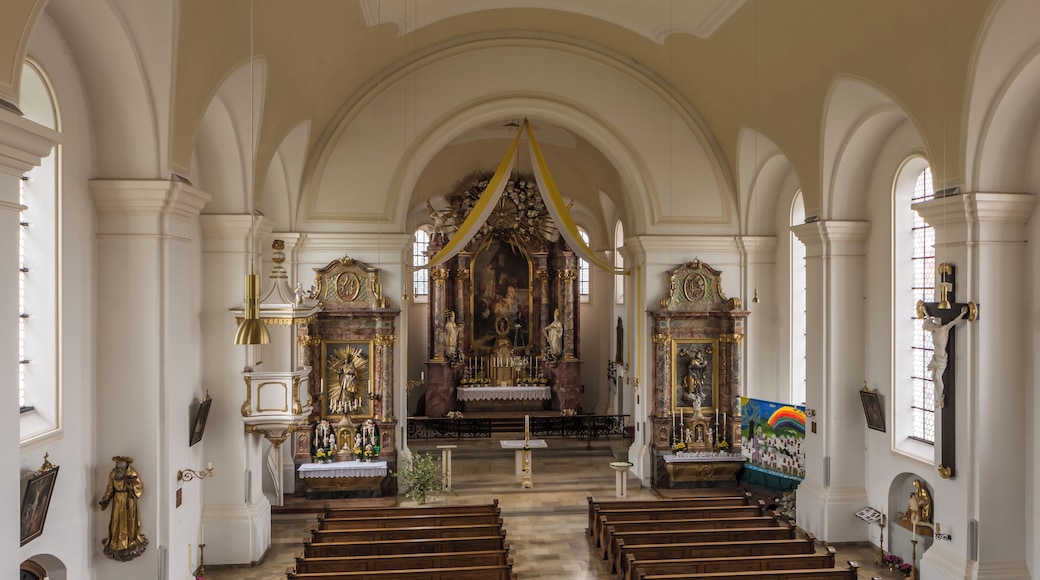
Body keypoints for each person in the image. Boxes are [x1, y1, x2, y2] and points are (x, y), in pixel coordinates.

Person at [99, 456, 148, 561]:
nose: (119, 470)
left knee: (128, 522)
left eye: (121, 468)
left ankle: (129, 541)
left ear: (126, 467)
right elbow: (110, 488)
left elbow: (139, 488)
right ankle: (115, 541)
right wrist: (105, 498)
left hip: (128, 500)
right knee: (116, 521)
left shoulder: (132, 474)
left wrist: (131, 486)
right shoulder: (113, 474)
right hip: (117, 500)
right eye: (118, 467)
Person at [923, 305, 968, 408]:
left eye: (927, 329)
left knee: (937, 377)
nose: (928, 330)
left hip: (942, 358)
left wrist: (962, 313)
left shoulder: (943, 329)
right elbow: (929, 318)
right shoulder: (934, 330)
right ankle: (939, 396)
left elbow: (954, 322)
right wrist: (925, 310)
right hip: (935, 357)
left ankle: (940, 397)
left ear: (930, 326)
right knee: (933, 377)